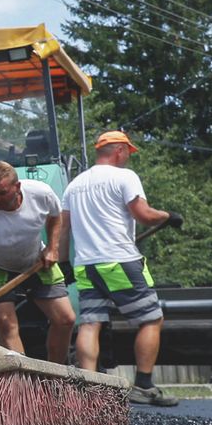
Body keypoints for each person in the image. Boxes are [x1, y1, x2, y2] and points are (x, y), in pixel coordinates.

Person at [61, 130, 184, 406]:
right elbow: (144, 215)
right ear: (119, 150)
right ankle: (143, 386)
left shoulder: (74, 185)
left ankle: (88, 388)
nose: (129, 157)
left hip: (86, 265)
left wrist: (62, 262)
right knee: (151, 319)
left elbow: (63, 229)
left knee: (90, 324)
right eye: (128, 151)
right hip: (119, 261)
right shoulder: (125, 177)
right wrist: (169, 216)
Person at [0, 161, 75, 364]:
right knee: (7, 326)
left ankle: (57, 377)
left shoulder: (41, 193)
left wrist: (52, 247)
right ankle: (24, 382)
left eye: (1, 193)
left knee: (65, 319)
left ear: (17, 187)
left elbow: (55, 217)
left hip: (35, 260)